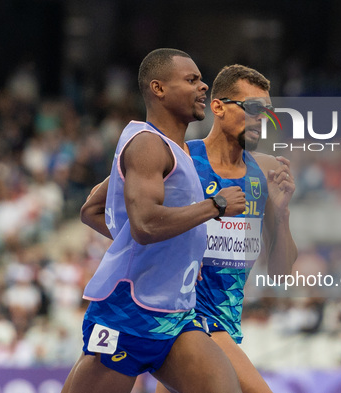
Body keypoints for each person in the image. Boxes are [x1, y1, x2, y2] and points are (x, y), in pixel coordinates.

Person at [82, 64, 298, 392]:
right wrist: (163, 248)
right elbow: (94, 209)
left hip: (219, 323)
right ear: (218, 106)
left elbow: (282, 273)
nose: (262, 119)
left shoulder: (265, 172)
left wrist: (281, 217)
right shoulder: (179, 157)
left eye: (268, 112)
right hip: (190, 316)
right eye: (253, 109)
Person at [62, 49, 244, 393]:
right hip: (128, 314)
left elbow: (93, 209)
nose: (204, 86)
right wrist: (215, 205)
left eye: (201, 79)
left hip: (175, 314)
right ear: (158, 89)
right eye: (191, 80)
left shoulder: (179, 150)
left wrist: (148, 246)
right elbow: (144, 225)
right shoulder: (147, 145)